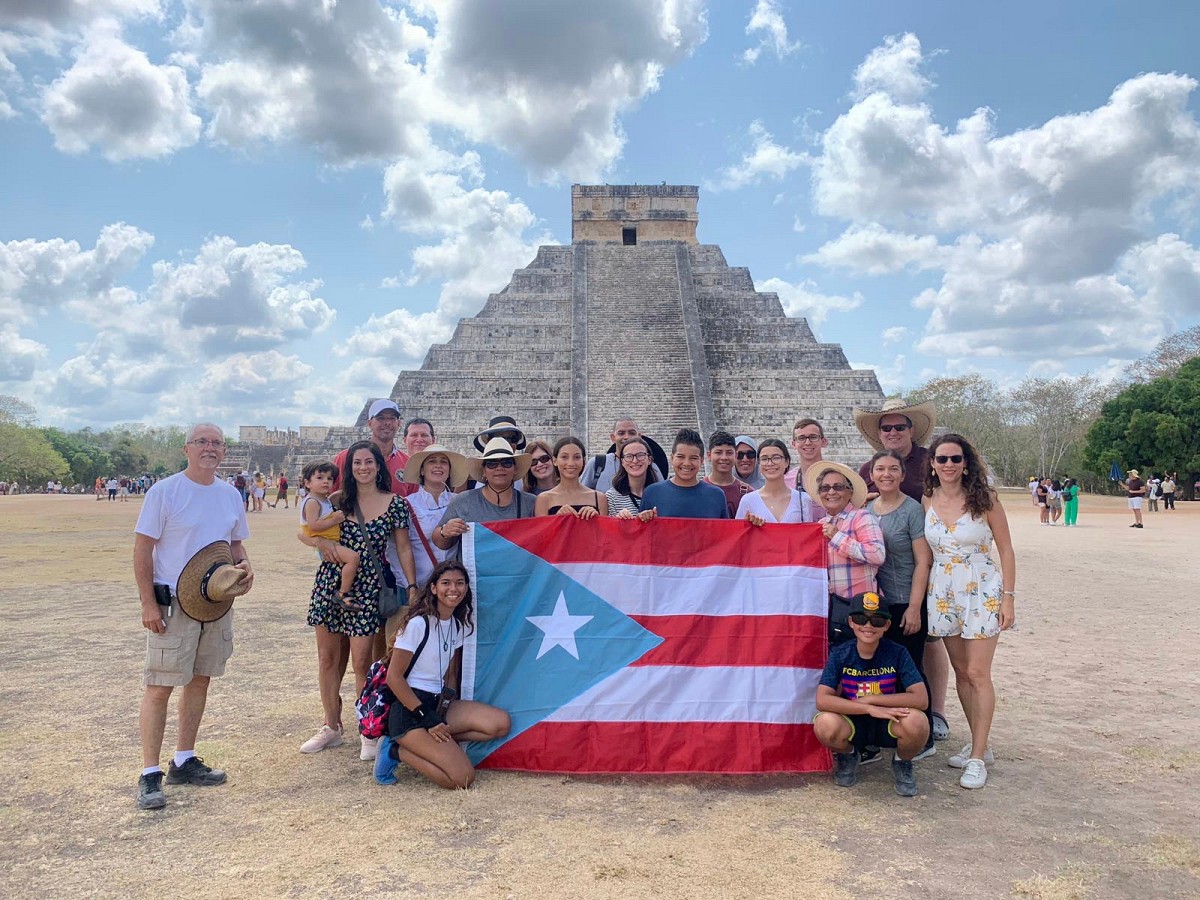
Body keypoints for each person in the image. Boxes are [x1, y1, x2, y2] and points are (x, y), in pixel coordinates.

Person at [133, 424, 253, 810]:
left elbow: (234, 544)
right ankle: (150, 772)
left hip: (215, 602)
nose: (210, 448)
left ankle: (184, 758)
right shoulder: (165, 491)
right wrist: (149, 604)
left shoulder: (230, 494)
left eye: (217, 443)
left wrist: (244, 567)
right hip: (172, 603)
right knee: (160, 686)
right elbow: (143, 549)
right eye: (202, 442)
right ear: (186, 449)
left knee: (200, 681)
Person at [306, 440, 418, 761]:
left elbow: (404, 547)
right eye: (357, 463)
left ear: (378, 467)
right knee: (327, 660)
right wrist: (319, 546)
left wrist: (411, 585)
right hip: (332, 582)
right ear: (349, 468)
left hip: (370, 586)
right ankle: (331, 725)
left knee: (361, 663)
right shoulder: (336, 501)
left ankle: (367, 727)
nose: (363, 468)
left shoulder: (394, 503)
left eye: (369, 462)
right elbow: (311, 532)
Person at [924, 433, 1017, 789]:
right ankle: (981, 743)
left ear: (966, 464)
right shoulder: (927, 500)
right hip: (944, 590)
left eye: (956, 459)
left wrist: (1008, 597)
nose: (949, 465)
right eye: (942, 459)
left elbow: (1006, 550)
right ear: (932, 463)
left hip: (981, 587)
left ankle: (977, 758)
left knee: (979, 672)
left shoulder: (985, 499)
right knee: (961, 671)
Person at [374, 561, 510, 789]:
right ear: (434, 588)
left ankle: (435, 747)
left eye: (460, 583)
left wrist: (443, 710)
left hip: (437, 705)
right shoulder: (417, 624)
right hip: (410, 710)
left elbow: (450, 674)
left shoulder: (458, 626)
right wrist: (428, 718)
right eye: (446, 583)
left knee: (499, 724)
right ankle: (395, 750)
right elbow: (394, 678)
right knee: (462, 779)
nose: (453, 589)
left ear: (466, 588)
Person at [813, 592, 929, 797]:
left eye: (876, 620)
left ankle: (902, 761)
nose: (868, 626)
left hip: (887, 720)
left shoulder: (897, 652)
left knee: (918, 722)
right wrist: (867, 708)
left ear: (886, 625)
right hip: (853, 719)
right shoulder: (840, 653)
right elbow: (822, 699)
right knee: (824, 723)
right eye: (860, 619)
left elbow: (921, 698)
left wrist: (874, 700)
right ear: (851, 622)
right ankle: (848, 755)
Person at [865, 449, 935, 760]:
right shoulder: (867, 508)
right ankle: (887, 734)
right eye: (880, 469)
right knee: (882, 671)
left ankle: (925, 736)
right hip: (878, 604)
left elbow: (923, 562)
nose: (886, 474)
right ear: (872, 474)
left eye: (894, 469)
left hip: (907, 600)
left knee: (912, 670)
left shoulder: (912, 510)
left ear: (903, 475)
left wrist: (914, 607)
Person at [433, 439, 536, 559]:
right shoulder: (463, 501)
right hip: (475, 576)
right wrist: (445, 532)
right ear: (484, 471)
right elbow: (439, 542)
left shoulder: (531, 503)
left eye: (506, 462)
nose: (499, 468)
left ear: (515, 470)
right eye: (492, 463)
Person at [804, 460, 885, 609]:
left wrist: (837, 537)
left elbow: (877, 555)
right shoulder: (820, 524)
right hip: (831, 607)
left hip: (862, 607)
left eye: (838, 487)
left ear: (850, 492)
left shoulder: (861, 517)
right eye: (825, 488)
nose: (831, 492)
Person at [402, 444, 467, 589]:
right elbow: (399, 549)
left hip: (453, 587)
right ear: (422, 470)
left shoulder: (461, 501)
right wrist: (409, 586)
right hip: (419, 586)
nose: (438, 466)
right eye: (432, 461)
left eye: (443, 462)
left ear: (449, 470)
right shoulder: (407, 504)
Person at [298, 462, 361, 611]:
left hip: (331, 542)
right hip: (326, 544)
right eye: (320, 477)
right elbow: (313, 525)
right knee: (353, 558)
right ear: (307, 483)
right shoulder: (313, 502)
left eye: (330, 478)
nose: (326, 481)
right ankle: (343, 592)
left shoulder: (324, 499)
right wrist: (334, 520)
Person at [854, 398, 936, 501]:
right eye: (886, 428)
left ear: (911, 431)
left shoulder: (932, 462)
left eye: (900, 427)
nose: (893, 433)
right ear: (879, 433)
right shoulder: (867, 469)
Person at [332, 400, 415, 499]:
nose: (387, 423)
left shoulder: (408, 463)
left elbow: (412, 505)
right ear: (370, 423)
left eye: (392, 418)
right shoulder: (345, 457)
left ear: (399, 423)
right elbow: (329, 496)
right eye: (381, 418)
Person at [641, 429, 730, 519]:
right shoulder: (652, 493)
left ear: (702, 461)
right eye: (680, 457)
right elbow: (642, 530)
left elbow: (724, 531)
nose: (686, 463)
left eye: (693, 458)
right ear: (672, 458)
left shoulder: (716, 495)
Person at [736, 438, 816, 524]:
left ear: (787, 462)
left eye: (776, 458)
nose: (770, 463)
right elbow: (739, 533)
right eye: (764, 459)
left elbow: (808, 534)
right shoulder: (748, 500)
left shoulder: (803, 499)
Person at [582, 416, 667, 493]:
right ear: (613, 437)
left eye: (632, 433)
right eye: (621, 433)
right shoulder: (596, 464)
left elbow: (662, 495)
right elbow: (580, 493)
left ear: (639, 436)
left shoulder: (651, 467)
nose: (627, 437)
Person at [535, 437, 608, 519]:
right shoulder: (544, 499)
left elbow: (604, 531)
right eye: (564, 457)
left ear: (583, 461)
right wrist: (556, 519)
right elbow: (542, 531)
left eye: (576, 457)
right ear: (555, 461)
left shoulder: (599, 498)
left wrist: (596, 520)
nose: (571, 463)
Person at [605, 436, 661, 519]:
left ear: (649, 460)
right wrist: (619, 521)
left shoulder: (661, 494)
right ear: (622, 462)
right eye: (629, 456)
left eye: (641, 455)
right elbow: (608, 530)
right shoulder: (611, 497)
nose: (635, 461)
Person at [704, 430, 754, 518]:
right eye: (718, 452)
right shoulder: (699, 489)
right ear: (709, 455)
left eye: (729, 453)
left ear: (735, 456)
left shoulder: (747, 493)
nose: (724, 457)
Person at [785, 419, 828, 490]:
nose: (808, 443)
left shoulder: (840, 476)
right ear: (794, 444)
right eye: (801, 438)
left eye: (813, 437)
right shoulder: (785, 482)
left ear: (823, 442)